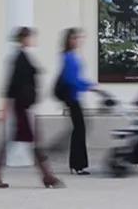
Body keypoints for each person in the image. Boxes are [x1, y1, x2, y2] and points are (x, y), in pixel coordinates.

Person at [0, 27, 63, 189]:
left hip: (26, 105)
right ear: (23, 38)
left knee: (13, 139)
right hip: (21, 106)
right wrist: (4, 109)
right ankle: (47, 176)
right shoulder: (18, 58)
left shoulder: (24, 56)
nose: (31, 39)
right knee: (33, 141)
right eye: (29, 37)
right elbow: (10, 86)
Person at [53, 28, 97, 175]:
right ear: (68, 40)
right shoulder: (68, 57)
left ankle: (76, 163)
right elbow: (71, 79)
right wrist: (88, 86)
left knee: (79, 128)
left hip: (74, 96)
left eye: (77, 38)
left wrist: (87, 86)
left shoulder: (71, 56)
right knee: (80, 129)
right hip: (72, 97)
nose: (76, 41)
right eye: (73, 38)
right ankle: (77, 164)